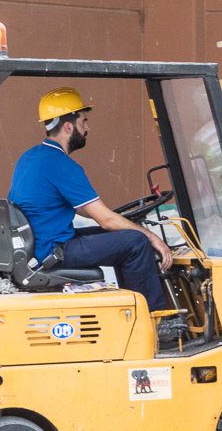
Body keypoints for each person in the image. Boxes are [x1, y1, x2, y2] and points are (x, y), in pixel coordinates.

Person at [9, 87, 184, 341]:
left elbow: (86, 209)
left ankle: (132, 316)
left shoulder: (32, 157)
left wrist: (117, 220)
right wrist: (150, 236)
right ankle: (156, 325)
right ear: (69, 127)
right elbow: (105, 219)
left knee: (122, 235)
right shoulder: (62, 165)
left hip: (39, 244)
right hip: (52, 251)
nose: (87, 128)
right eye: (84, 121)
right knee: (136, 242)